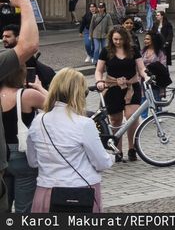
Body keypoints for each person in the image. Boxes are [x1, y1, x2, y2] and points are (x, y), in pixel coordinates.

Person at [25, 69, 113, 214]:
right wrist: (112, 158)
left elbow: (33, 162)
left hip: (46, 191)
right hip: (80, 192)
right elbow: (101, 162)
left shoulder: (38, 121)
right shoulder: (84, 124)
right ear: (79, 94)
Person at [1, 56, 47, 213]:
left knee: (3, 206)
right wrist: (40, 88)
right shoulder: (26, 95)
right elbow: (57, 108)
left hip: (1, 155)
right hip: (22, 155)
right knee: (24, 209)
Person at [94, 27, 145, 161]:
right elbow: (99, 70)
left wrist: (146, 75)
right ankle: (118, 150)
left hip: (131, 87)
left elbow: (141, 68)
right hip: (113, 87)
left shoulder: (133, 50)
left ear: (125, 39)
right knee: (115, 120)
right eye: (115, 39)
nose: (118, 42)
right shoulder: (106, 51)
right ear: (111, 38)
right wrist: (99, 81)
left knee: (131, 117)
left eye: (121, 39)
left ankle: (132, 148)